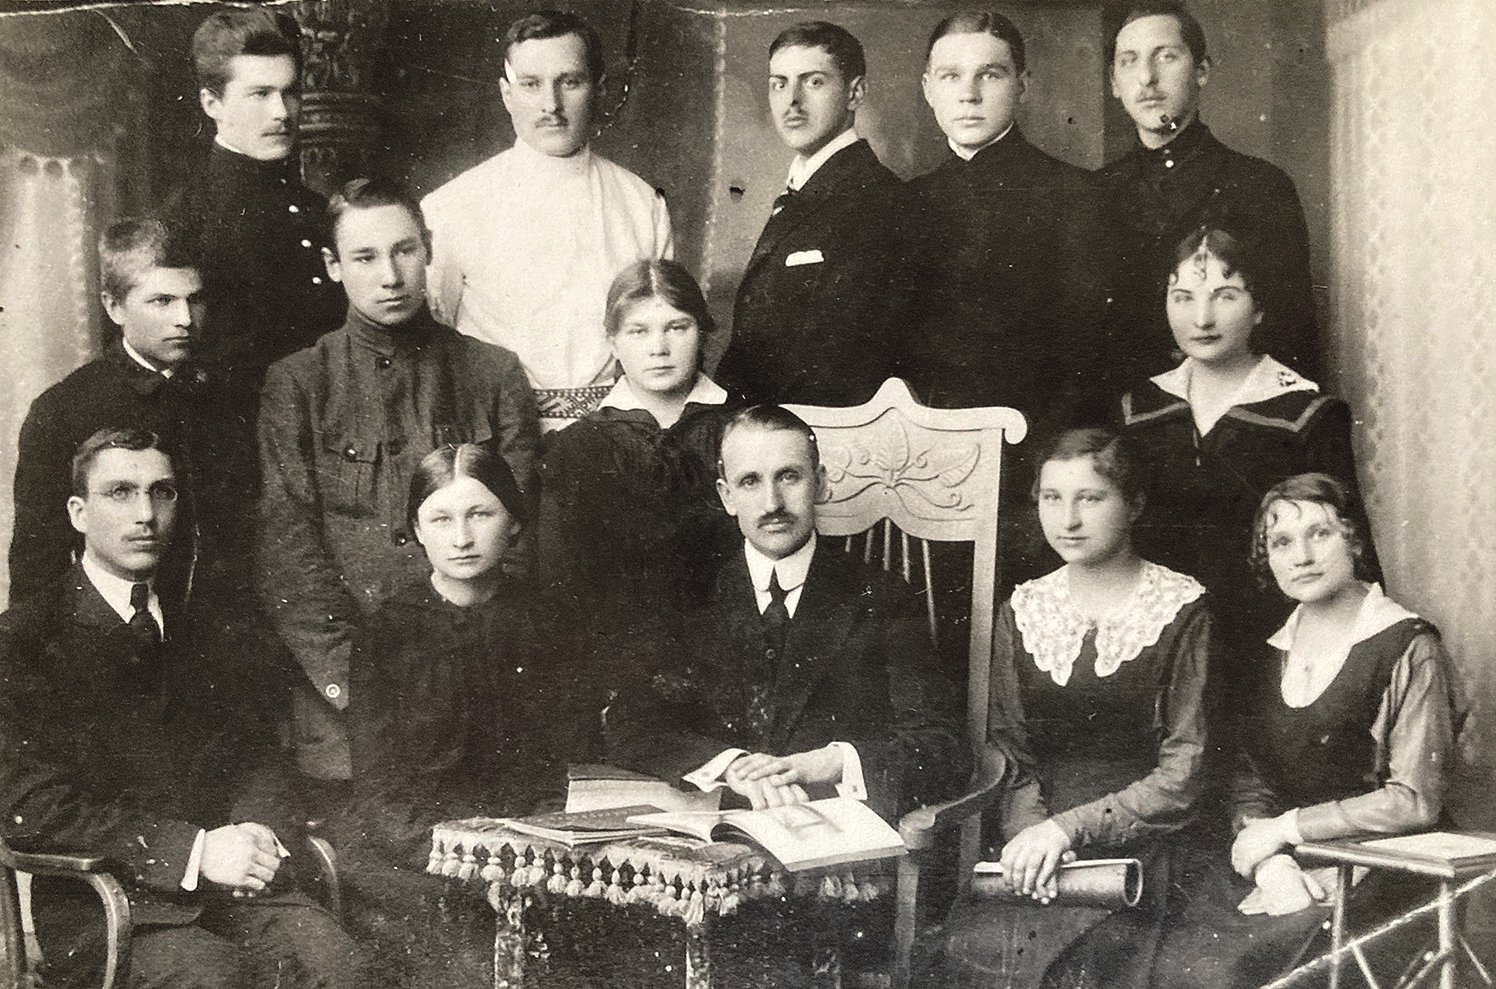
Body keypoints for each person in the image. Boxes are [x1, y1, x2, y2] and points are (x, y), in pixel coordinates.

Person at [0, 428, 361, 988]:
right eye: (120, 492)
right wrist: (193, 850)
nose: (145, 513)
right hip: (115, 907)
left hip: (240, 893)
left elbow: (255, 755)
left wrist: (258, 832)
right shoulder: (22, 642)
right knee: (209, 978)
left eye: (161, 492)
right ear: (78, 512)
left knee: (341, 968)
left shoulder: (208, 626)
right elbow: (35, 807)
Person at [257, 177, 539, 783]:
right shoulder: (300, 385)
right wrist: (364, 688)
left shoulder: (493, 375)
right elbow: (290, 559)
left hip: (482, 693)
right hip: (349, 706)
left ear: (428, 248)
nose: (390, 274)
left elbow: (519, 542)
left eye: (404, 250)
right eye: (364, 257)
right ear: (333, 266)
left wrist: (465, 683)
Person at [1152, 473, 1456, 988]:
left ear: (1353, 541)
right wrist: (1271, 864)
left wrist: (1287, 829)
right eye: (1282, 542)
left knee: (1240, 974)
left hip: (1385, 870)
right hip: (1281, 864)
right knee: (1172, 963)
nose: (1302, 556)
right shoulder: (1270, 653)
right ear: (1267, 558)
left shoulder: (1407, 645)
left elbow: (1413, 801)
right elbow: (1250, 783)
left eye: (1320, 534)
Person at [934, 427, 1213, 989]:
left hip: (1147, 844)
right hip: (1037, 844)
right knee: (972, 948)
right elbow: (1009, 751)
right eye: (1051, 498)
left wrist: (1067, 832)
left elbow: (1184, 770)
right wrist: (1030, 839)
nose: (1068, 520)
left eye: (1090, 498)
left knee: (1103, 961)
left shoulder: (1181, 608)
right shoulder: (1026, 608)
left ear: (1134, 503)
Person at [605, 405, 967, 820]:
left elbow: (944, 747)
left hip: (833, 837)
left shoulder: (883, 598)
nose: (772, 502)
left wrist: (831, 762)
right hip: (716, 825)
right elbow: (631, 727)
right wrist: (732, 765)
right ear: (727, 496)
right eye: (750, 482)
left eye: (789, 476)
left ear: (821, 484)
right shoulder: (689, 598)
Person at [338, 444, 567, 987]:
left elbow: (564, 762)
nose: (461, 538)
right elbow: (382, 792)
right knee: (469, 967)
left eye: (480, 514)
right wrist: (472, 867)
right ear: (417, 531)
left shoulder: (547, 619)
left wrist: (530, 857)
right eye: (441, 519)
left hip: (530, 850)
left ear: (512, 522)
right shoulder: (388, 631)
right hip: (418, 858)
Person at [1122, 226, 1371, 664]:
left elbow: (1349, 553)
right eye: (1183, 298)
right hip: (1153, 642)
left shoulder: (1306, 414)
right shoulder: (1136, 410)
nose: (1202, 318)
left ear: (1259, 308)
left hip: (1270, 644)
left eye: (1225, 295)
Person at [423, 9, 673, 431]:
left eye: (569, 82)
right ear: (506, 94)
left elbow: (665, 335)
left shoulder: (641, 202)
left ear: (599, 88)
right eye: (531, 84)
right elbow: (433, 342)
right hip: (499, 435)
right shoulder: (452, 206)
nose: (551, 105)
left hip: (618, 436)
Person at [10, 216, 248, 606]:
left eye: (195, 299)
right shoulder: (63, 409)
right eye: (162, 301)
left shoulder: (232, 395)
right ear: (114, 306)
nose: (185, 319)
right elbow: (37, 568)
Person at [1100, 1, 1319, 388]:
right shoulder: (1095, 193)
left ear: (1201, 70)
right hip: (1122, 420)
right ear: (1115, 84)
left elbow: (1291, 338)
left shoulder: (1260, 186)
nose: (1147, 78)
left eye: (1166, 57)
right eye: (1129, 61)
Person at [905, 11, 1105, 422]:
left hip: (1032, 444)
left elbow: (1087, 359)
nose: (969, 95)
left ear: (1023, 86)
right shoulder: (903, 202)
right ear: (927, 89)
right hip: (921, 445)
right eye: (950, 76)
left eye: (990, 75)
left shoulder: (1075, 195)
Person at [715, 21, 909, 406]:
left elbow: (847, 362)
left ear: (855, 93)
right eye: (779, 83)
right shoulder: (802, 188)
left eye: (814, 82)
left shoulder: (878, 200)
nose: (792, 101)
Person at [170, 8, 344, 420]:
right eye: (260, 94)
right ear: (212, 102)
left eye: (290, 92)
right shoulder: (186, 219)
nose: (282, 113)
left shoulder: (320, 211)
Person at [537, 259, 736, 619]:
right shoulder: (577, 448)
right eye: (638, 331)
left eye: (677, 327)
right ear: (613, 343)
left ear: (702, 333)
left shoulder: (740, 431)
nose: (658, 348)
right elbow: (561, 582)